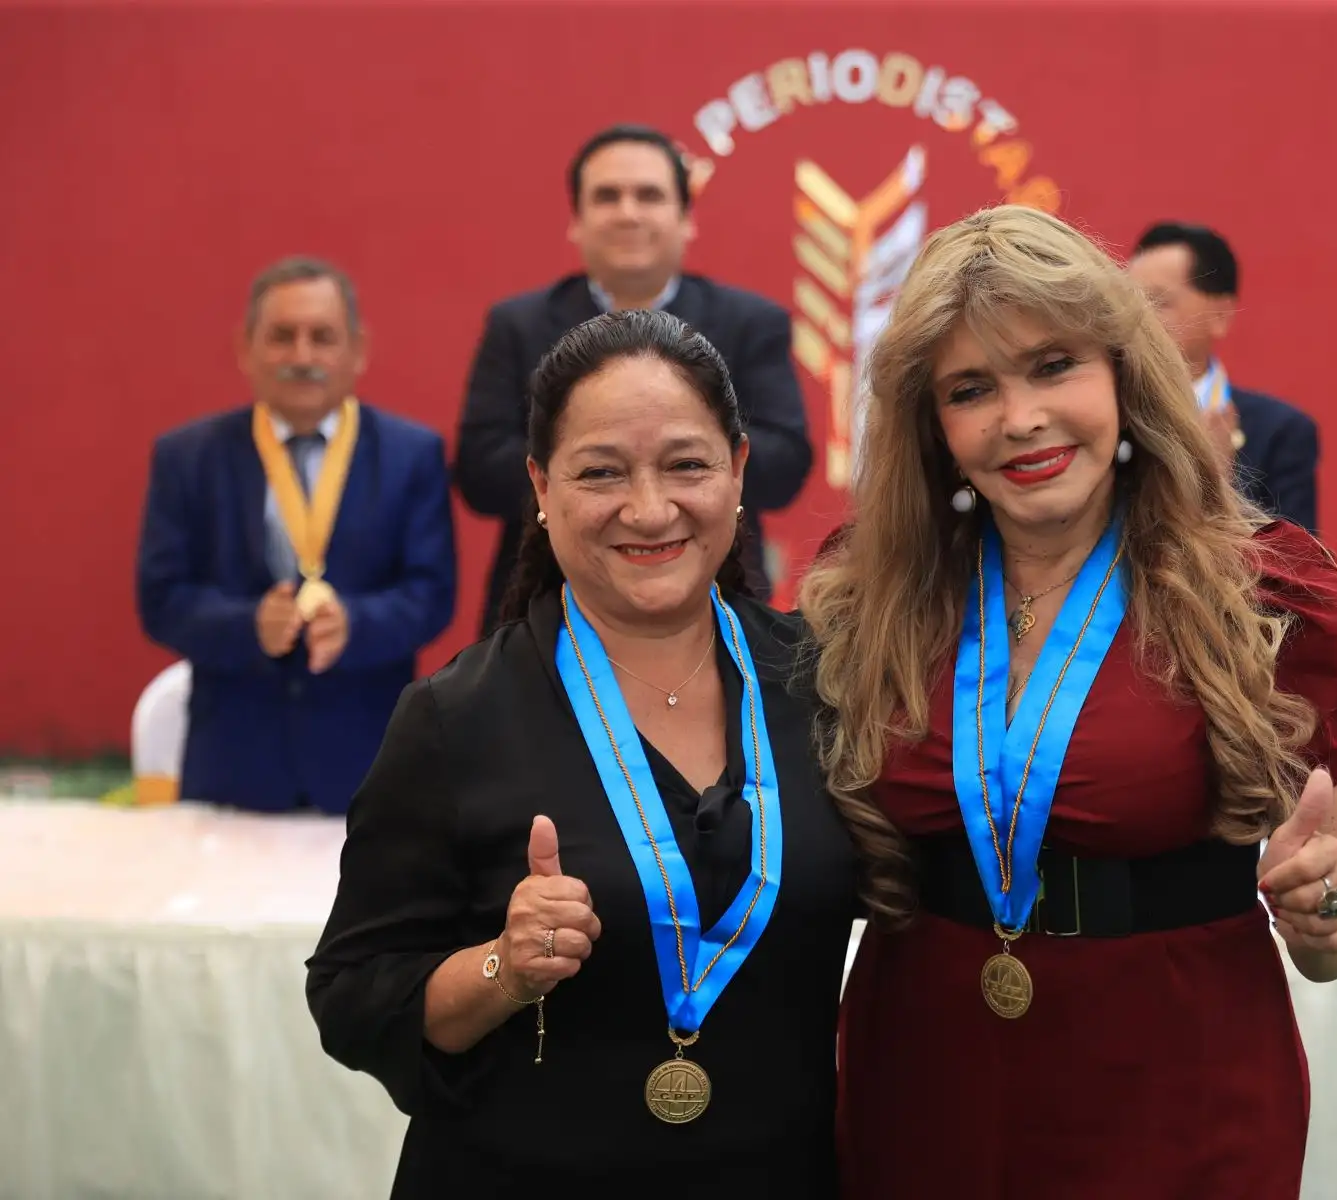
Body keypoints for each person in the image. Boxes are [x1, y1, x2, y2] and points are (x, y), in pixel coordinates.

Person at [798, 206, 1337, 1198]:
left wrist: (1330, 911)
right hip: (921, 1090)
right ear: (933, 427)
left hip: (1179, 1098)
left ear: (1123, 376)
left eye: (1053, 366)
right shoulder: (866, 599)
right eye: (970, 388)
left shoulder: (1266, 595)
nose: (1019, 417)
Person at [307, 310, 863, 1197]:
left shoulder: (824, 682)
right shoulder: (457, 717)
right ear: (540, 484)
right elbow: (351, 995)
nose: (649, 509)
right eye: (601, 472)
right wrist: (501, 969)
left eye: (686, 464)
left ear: (739, 470)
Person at [455, 123, 813, 633]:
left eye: (649, 195)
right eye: (607, 196)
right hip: (545, 608)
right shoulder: (518, 325)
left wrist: (687, 462)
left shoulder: (750, 322)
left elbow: (785, 465)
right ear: (576, 222)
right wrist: (591, 469)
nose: (628, 212)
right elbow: (478, 473)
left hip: (715, 598)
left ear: (686, 218)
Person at [135, 256, 456, 814]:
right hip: (233, 770)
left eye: (322, 337)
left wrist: (355, 624)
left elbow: (430, 595)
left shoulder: (413, 455)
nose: (302, 357)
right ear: (246, 347)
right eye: (282, 337)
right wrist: (247, 625)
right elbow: (161, 600)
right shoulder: (186, 457)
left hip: (370, 764)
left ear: (357, 349)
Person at [1128, 222, 1320, 530]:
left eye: (1158, 301)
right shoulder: (1105, 417)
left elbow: (1296, 571)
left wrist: (1216, 488)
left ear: (1220, 316)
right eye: (1129, 300)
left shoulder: (1277, 433)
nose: (1138, 317)